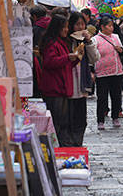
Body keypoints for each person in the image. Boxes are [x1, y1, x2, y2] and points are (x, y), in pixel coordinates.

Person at [39, 14, 82, 145]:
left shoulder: (61, 42)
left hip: (62, 87)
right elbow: (50, 62)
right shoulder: (51, 43)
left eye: (67, 27)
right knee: (58, 121)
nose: (66, 30)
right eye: (64, 27)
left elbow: (65, 64)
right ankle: (57, 147)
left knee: (62, 121)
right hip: (55, 88)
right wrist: (68, 58)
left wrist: (75, 59)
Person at [65, 12, 97, 146]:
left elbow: (95, 58)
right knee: (68, 117)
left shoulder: (87, 41)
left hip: (81, 83)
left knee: (80, 117)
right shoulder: (65, 40)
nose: (80, 27)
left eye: (82, 24)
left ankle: (78, 143)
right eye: (77, 24)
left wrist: (89, 42)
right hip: (68, 82)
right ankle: (69, 143)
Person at [93, 15, 123, 130]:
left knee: (116, 96)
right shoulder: (96, 39)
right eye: (109, 26)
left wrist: (120, 50)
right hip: (102, 73)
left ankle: (115, 116)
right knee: (102, 97)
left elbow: (122, 52)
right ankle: (100, 120)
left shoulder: (116, 37)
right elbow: (93, 56)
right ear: (102, 27)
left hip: (116, 71)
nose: (111, 28)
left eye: (112, 26)